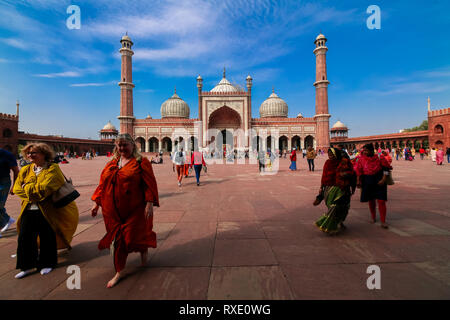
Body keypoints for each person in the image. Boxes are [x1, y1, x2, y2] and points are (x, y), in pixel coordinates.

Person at [91, 133, 159, 288]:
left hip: (134, 208)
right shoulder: (112, 163)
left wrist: (149, 203)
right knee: (118, 240)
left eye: (124, 145)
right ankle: (120, 270)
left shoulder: (141, 162)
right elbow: (103, 184)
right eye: (119, 145)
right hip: (112, 210)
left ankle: (142, 251)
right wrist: (97, 203)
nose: (122, 148)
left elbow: (149, 184)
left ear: (132, 145)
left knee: (132, 236)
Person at [13, 143, 79, 279]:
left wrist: (28, 187)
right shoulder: (26, 169)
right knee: (25, 237)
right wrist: (33, 191)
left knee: (47, 236)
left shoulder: (53, 169)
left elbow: (46, 188)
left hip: (48, 210)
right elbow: (17, 189)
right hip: (28, 209)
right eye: (29, 153)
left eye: (34, 152)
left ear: (44, 154)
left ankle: (47, 263)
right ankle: (26, 265)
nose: (31, 155)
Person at [314, 148, 356, 234]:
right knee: (331, 206)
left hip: (340, 188)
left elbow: (351, 173)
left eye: (332, 154)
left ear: (336, 155)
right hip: (329, 188)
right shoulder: (327, 163)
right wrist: (321, 187)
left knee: (338, 206)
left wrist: (344, 176)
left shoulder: (342, 163)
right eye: (329, 155)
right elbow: (324, 176)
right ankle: (337, 222)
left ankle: (328, 224)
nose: (330, 156)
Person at [354, 143, 392, 229]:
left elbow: (386, 168)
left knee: (381, 201)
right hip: (367, 180)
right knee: (371, 201)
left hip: (379, 180)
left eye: (366, 150)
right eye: (364, 151)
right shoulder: (361, 159)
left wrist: (383, 179)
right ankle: (373, 217)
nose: (365, 152)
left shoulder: (379, 158)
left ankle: (383, 221)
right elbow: (359, 171)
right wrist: (358, 181)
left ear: (371, 150)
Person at [0, 148, 19, 237]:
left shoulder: (6, 154)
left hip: (3, 183)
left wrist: (14, 186)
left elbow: (16, 171)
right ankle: (7, 219)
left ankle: (6, 221)